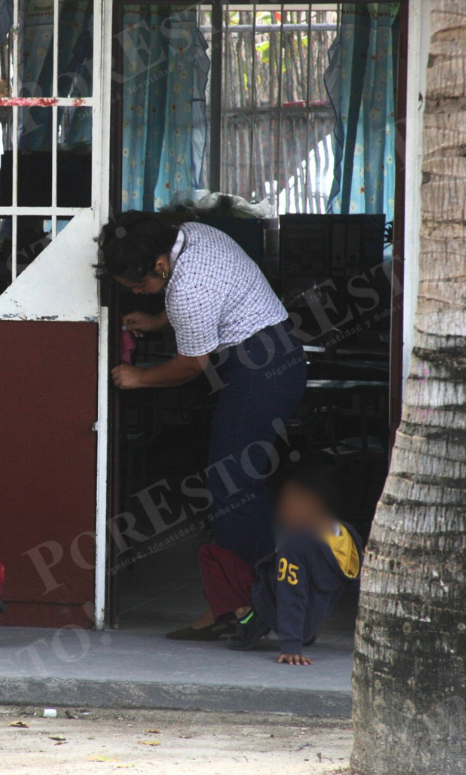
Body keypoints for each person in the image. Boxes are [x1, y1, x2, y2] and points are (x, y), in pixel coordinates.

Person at [96, 211, 307, 640]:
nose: (138, 294)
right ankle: (237, 603)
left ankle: (261, 605)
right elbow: (216, 299)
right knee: (232, 485)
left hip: (261, 368)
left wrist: (138, 377)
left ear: (160, 265)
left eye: (140, 287)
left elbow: (191, 365)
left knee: (232, 487)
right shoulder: (193, 234)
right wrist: (157, 321)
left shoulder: (186, 290)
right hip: (272, 350)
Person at [209, 460, 363, 665]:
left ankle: (249, 617)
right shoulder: (348, 535)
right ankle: (290, 626)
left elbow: (290, 592)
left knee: (211, 555)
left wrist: (291, 645)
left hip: (274, 611)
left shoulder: (294, 545)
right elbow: (361, 587)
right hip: (309, 625)